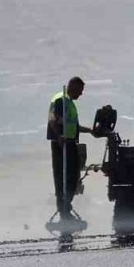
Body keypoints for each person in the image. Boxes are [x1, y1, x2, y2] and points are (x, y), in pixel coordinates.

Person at [47, 77, 92, 218]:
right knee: (63, 177)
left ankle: (66, 207)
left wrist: (90, 131)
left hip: (70, 142)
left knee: (73, 177)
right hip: (62, 144)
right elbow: (53, 120)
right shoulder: (62, 100)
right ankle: (63, 210)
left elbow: (73, 126)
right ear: (72, 87)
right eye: (80, 90)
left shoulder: (70, 103)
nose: (81, 94)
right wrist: (59, 136)